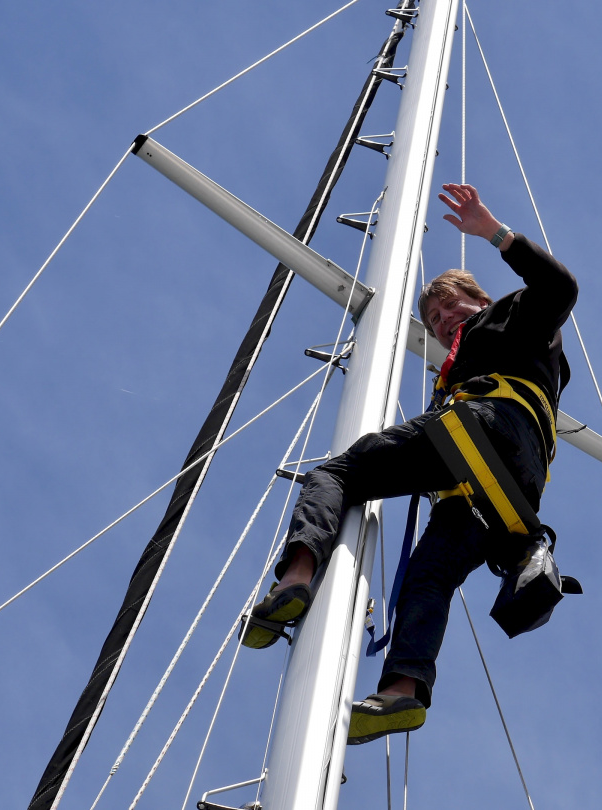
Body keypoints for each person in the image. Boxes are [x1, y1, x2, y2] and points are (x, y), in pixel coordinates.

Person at [241, 183, 577, 746]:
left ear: (480, 299)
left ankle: (295, 579)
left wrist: (493, 232)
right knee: (429, 575)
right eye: (436, 317)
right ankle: (403, 693)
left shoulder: (515, 317)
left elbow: (561, 287)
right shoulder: (467, 358)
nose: (445, 320)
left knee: (337, 473)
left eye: (452, 306)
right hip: (502, 493)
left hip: (484, 431)